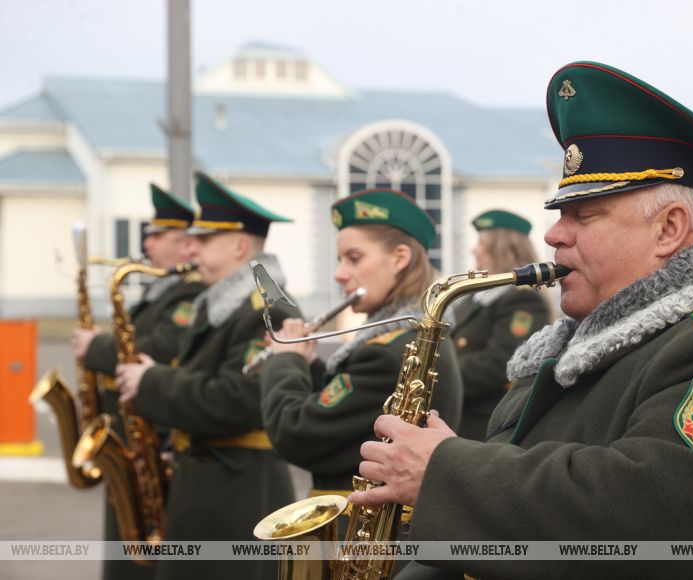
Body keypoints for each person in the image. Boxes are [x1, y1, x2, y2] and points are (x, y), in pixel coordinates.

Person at [348, 62, 693, 579]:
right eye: (561, 214)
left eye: (584, 215)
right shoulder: (591, 346)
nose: (554, 235)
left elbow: (643, 520)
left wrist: (444, 473)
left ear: (669, 229)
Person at [115, 172, 297, 580]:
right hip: (212, 485)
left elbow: (235, 400)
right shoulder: (222, 304)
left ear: (239, 245)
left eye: (204, 240)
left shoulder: (270, 309)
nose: (191, 247)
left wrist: (151, 382)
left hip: (239, 494)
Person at [258, 189, 463, 507]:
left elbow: (297, 433)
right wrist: (307, 363)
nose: (340, 274)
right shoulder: (406, 339)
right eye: (340, 260)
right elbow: (344, 410)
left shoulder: (388, 351)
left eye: (354, 258)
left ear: (399, 258)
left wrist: (285, 360)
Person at [70, 183, 204, 580]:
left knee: (141, 544)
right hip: (128, 429)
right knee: (123, 539)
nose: (147, 242)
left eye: (159, 235)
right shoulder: (161, 290)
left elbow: (158, 348)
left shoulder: (189, 292)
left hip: (150, 431)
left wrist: (96, 348)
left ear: (185, 247)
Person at [451, 210, 549, 440]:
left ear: (502, 248)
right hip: (458, 416)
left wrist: (441, 375)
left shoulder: (522, 299)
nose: (474, 250)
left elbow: (501, 362)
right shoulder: (473, 298)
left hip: (483, 427)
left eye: (482, 243)